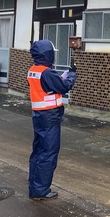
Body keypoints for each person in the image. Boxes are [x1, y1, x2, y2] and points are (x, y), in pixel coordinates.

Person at [27, 39, 76, 201]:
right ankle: (40, 191)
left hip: (38, 116)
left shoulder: (34, 70)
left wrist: (62, 77)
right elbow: (63, 87)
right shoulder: (47, 73)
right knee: (49, 153)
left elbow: (49, 87)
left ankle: (34, 186)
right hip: (50, 117)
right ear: (47, 54)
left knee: (38, 152)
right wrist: (72, 75)